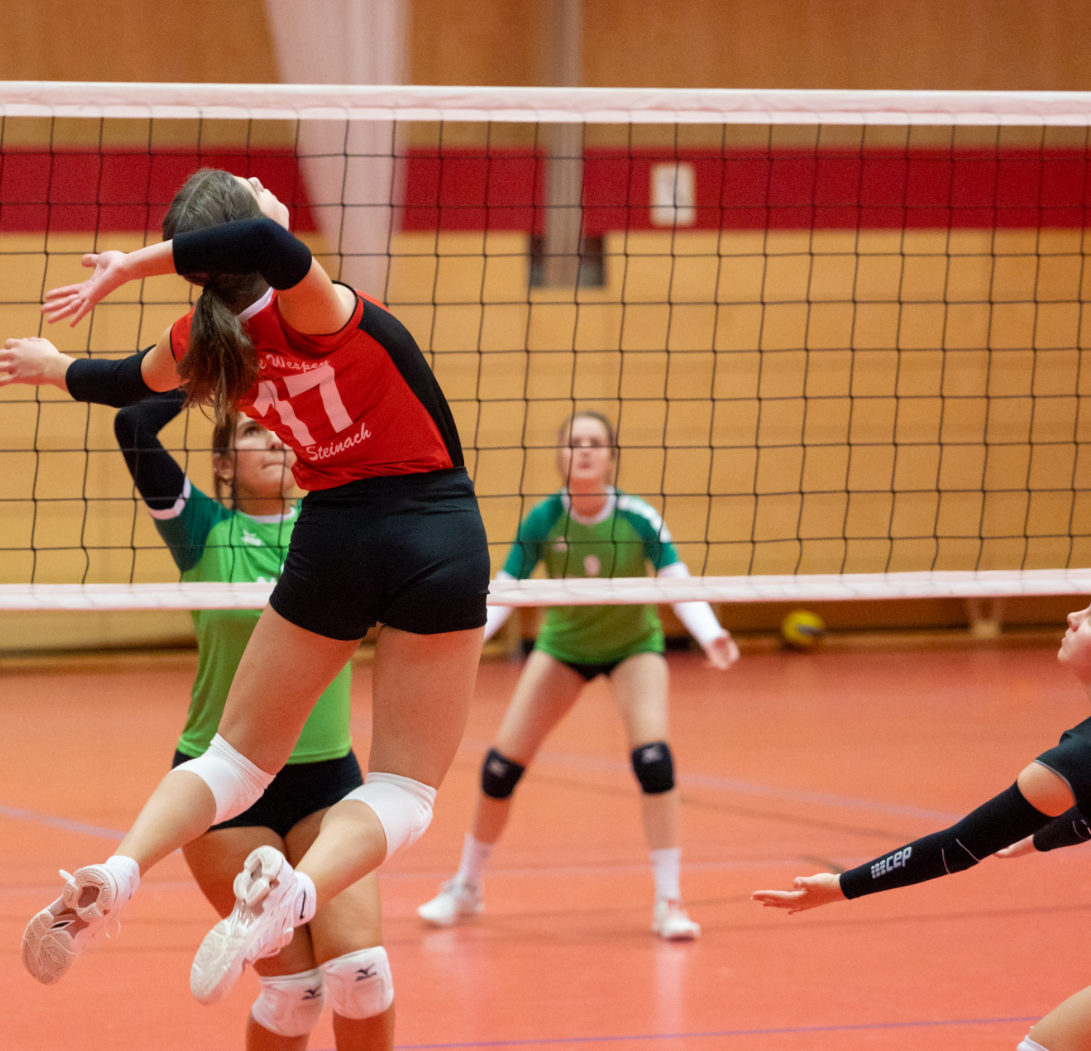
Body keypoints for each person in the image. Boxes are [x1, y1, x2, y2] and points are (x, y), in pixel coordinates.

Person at [0, 167, 490, 1005]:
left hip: (334, 535)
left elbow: (119, 383)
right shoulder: (311, 304)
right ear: (250, 229)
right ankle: (293, 895)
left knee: (231, 761)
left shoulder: (203, 341)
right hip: (431, 528)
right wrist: (124, 268)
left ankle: (115, 872)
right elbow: (262, 245)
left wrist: (55, 367)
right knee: (404, 788)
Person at [417, 411, 740, 939]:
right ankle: (466, 887)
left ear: (611, 456)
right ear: (560, 457)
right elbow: (507, 587)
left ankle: (669, 900)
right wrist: (466, 642)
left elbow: (676, 581)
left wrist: (711, 635)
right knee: (500, 768)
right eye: (575, 443)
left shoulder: (639, 517)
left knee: (653, 760)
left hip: (634, 647)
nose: (585, 451)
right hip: (563, 648)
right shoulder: (545, 520)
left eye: (595, 443)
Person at [753, 602, 1091, 1051]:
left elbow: (958, 846)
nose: (1071, 615)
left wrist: (840, 886)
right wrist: (1040, 840)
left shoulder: (1074, 761)